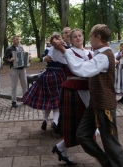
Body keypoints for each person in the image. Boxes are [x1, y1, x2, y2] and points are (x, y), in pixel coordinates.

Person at [52, 24, 123, 167]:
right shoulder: (99, 53)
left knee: (110, 141)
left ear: (98, 37)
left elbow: (83, 69)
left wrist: (63, 49)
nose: (88, 39)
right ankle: (107, 162)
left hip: (104, 105)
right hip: (94, 103)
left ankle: (122, 165)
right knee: (82, 135)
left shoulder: (103, 56)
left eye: (90, 36)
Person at [52, 29, 94, 165]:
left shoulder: (90, 52)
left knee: (86, 122)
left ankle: (60, 148)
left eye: (80, 35)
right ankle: (62, 150)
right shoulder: (68, 52)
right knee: (75, 123)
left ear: (83, 37)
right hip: (73, 89)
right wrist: (57, 44)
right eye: (74, 37)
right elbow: (56, 55)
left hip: (87, 89)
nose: (77, 38)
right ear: (70, 39)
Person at [21, 32, 67, 133]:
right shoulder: (63, 48)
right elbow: (66, 62)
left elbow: (45, 59)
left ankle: (45, 120)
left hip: (46, 75)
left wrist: (44, 59)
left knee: (48, 100)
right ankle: (55, 121)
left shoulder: (49, 49)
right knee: (56, 100)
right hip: (58, 75)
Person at [3, 35, 28, 108]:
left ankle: (25, 99)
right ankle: (13, 101)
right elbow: (4, 58)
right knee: (14, 85)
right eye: (16, 39)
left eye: (18, 39)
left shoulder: (21, 47)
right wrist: (9, 60)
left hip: (22, 68)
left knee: (24, 84)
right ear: (13, 40)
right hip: (14, 68)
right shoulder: (9, 49)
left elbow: (23, 57)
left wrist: (27, 60)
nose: (18, 40)